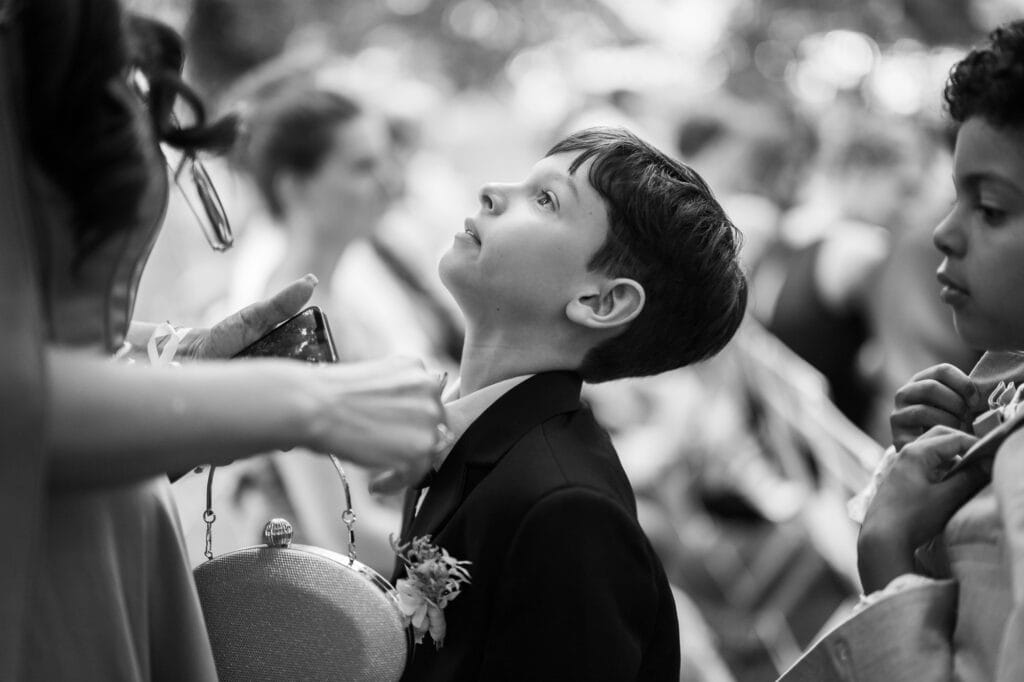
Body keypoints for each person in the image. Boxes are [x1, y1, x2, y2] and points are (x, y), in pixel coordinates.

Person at [6, 2, 445, 680]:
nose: (388, 182)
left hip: (117, 520)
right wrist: (300, 400)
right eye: (361, 165)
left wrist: (180, 361)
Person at [393, 126, 748, 681]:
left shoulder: (570, 513)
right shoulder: (468, 437)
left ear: (601, 301)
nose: (490, 190)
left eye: (545, 199)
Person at [780, 20, 1024, 682]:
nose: (942, 232)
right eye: (954, 197)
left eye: (992, 208)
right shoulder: (999, 384)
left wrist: (889, 547)